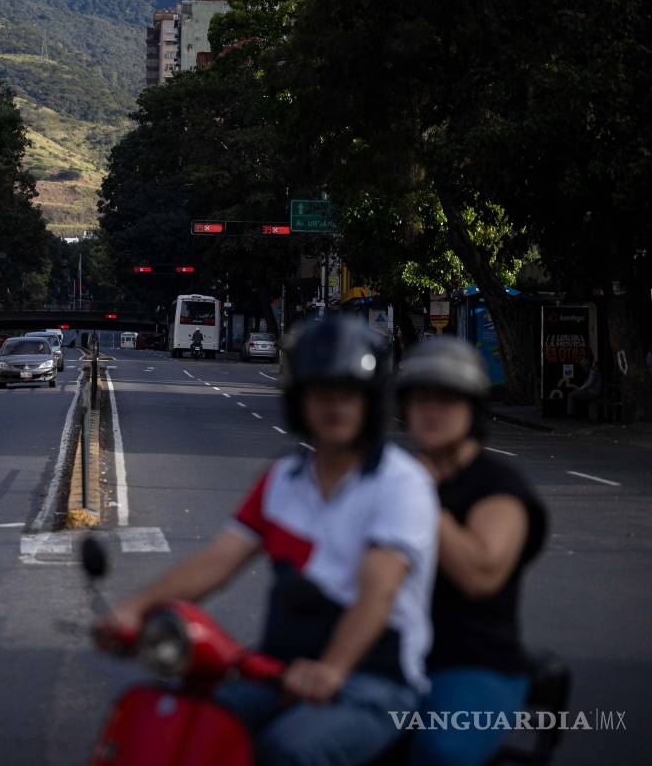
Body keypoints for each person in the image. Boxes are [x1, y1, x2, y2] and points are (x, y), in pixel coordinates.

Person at [96, 317, 439, 766]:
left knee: (288, 751)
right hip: (278, 671)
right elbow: (219, 559)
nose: (334, 405)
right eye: (320, 392)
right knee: (198, 724)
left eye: (348, 393)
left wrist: (332, 669)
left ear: (370, 401)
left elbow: (379, 590)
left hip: (373, 681)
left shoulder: (400, 483)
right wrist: (135, 608)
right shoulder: (284, 479)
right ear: (300, 400)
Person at [396, 337, 547, 766]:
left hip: (472, 662)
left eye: (447, 399)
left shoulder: (498, 485)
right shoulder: (395, 475)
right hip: (388, 655)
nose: (432, 411)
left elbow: (480, 576)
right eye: (421, 399)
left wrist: (424, 497)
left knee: (440, 752)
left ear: (473, 409)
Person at [565, 350, 602, 417]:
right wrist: (579, 389)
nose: (583, 369)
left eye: (584, 367)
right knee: (573, 394)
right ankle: (573, 414)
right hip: (591, 392)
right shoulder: (592, 371)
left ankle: (570, 415)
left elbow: (589, 384)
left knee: (571, 395)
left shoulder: (593, 371)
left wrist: (579, 390)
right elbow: (587, 384)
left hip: (593, 393)